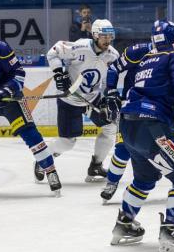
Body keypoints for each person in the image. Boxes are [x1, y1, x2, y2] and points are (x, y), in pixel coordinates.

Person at [109, 20, 174, 252]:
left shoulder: (145, 60)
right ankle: (170, 232)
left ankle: (124, 225)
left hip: (128, 125)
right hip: (153, 128)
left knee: (144, 179)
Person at [0, 12, 61, 195]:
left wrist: (6, 89)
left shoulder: (0, 48)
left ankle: (51, 171)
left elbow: (19, 73)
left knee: (32, 135)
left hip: (8, 101)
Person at [36, 19, 120, 183]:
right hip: (70, 99)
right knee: (67, 143)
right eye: (104, 36)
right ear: (95, 35)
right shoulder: (80, 46)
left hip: (92, 98)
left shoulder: (112, 55)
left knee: (110, 127)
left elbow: (109, 79)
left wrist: (107, 96)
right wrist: (59, 73)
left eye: (110, 36)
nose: (107, 40)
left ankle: (96, 165)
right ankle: (42, 157)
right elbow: (53, 52)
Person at [99, 42, 151, 202]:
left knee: (168, 146)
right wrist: (112, 90)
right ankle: (112, 181)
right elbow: (114, 68)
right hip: (132, 108)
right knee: (123, 148)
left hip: (158, 110)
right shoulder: (139, 51)